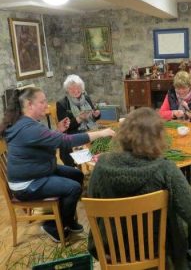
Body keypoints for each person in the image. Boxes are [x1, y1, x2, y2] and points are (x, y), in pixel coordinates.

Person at [87, 107, 191, 269]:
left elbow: (92, 204)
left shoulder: (102, 165)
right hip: (158, 250)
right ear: (158, 138)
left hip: (113, 250)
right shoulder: (165, 169)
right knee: (181, 215)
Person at [0, 87, 115, 243]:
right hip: (27, 184)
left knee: (77, 174)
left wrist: (58, 131)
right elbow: (65, 142)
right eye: (42, 102)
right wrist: (101, 133)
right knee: (73, 188)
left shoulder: (25, 123)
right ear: (29, 104)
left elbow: (46, 141)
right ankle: (54, 227)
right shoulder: (28, 128)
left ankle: (66, 219)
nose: (46, 106)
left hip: (38, 171)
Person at [56, 74, 101, 166]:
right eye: (72, 88)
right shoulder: (62, 104)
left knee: (106, 138)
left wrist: (96, 115)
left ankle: (99, 163)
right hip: (74, 133)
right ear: (67, 90)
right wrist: (79, 119)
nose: (76, 90)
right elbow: (65, 128)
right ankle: (86, 163)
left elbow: (94, 117)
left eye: (78, 87)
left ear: (82, 87)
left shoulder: (86, 98)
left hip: (90, 129)